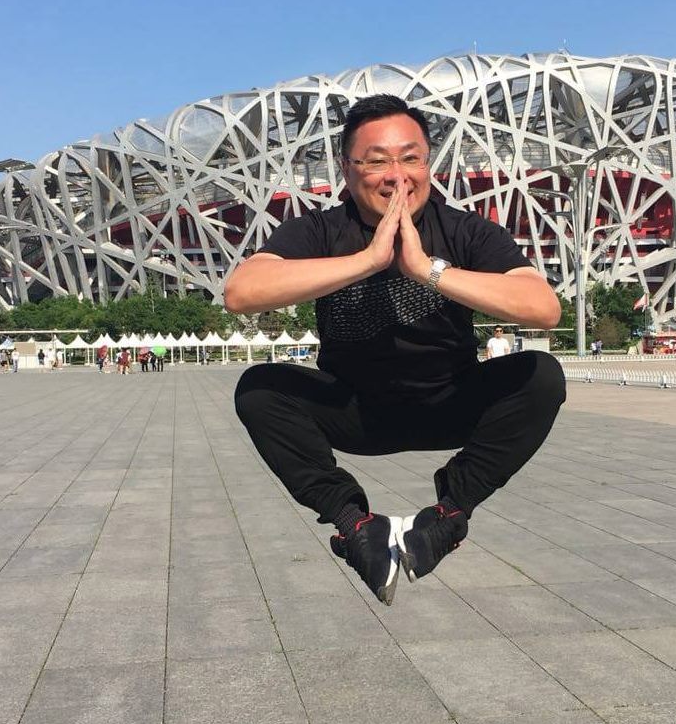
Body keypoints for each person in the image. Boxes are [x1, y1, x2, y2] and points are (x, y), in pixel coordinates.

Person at [226, 94, 565, 606]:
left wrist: (427, 269)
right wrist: (367, 260)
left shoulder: (465, 230)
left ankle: (447, 517)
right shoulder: (319, 230)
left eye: (411, 158)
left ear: (429, 163)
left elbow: (542, 308)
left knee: (540, 374)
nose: (396, 174)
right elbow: (241, 292)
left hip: (448, 402)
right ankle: (355, 525)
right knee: (259, 389)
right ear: (347, 170)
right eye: (377, 160)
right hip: (355, 411)